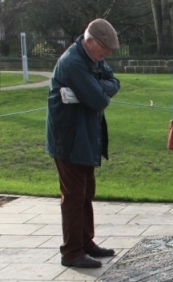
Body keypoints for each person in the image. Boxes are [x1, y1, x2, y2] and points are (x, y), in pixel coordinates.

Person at [46, 18, 121, 268]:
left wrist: (96, 87)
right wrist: (96, 90)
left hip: (86, 136)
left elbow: (114, 83)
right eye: (105, 48)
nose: (107, 54)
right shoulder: (73, 63)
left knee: (86, 192)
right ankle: (71, 252)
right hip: (69, 139)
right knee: (74, 196)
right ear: (90, 42)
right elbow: (98, 101)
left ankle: (85, 242)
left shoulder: (92, 59)